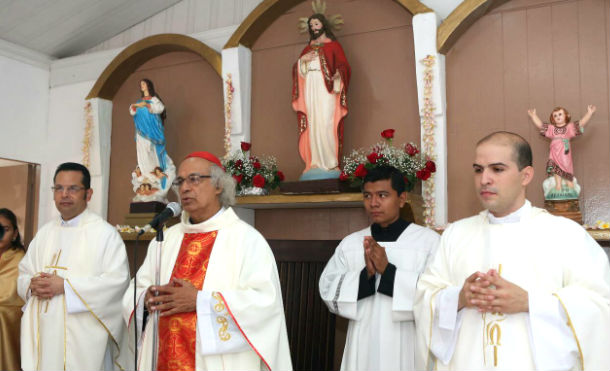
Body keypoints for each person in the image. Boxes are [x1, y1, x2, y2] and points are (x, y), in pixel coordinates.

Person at [414, 131, 610, 370]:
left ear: (526, 175)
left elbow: (598, 307)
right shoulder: (456, 235)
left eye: (497, 169)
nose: (484, 179)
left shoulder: (566, 235)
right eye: (478, 169)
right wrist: (459, 297)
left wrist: (530, 302)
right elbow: (425, 298)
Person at [123, 151, 292, 371]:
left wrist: (200, 301)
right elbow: (135, 292)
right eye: (180, 181)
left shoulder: (246, 239)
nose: (184, 188)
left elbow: (264, 304)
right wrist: (147, 298)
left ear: (219, 186)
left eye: (193, 179)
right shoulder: (166, 239)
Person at [319, 166, 440, 370]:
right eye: (367, 196)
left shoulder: (428, 242)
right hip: (362, 340)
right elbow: (328, 290)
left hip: (407, 341)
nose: (373, 203)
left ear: (402, 199)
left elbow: (438, 295)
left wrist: (389, 272)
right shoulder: (351, 244)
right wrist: (365, 276)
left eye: (382, 195)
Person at [18, 162, 130, 370]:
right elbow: (23, 272)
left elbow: (117, 283)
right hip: (43, 334)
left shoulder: (105, 234)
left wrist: (66, 287)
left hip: (83, 340)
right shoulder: (45, 233)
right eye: (59, 188)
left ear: (88, 194)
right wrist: (31, 284)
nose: (64, 195)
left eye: (72, 189)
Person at [292, 13, 351, 180]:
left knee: (326, 122)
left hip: (327, 88)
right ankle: (314, 163)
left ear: (323, 24)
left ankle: (330, 162)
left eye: (316, 24)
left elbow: (344, 66)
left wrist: (338, 76)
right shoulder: (307, 49)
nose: (313, 28)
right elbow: (297, 72)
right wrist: (302, 61)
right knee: (313, 123)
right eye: (311, 25)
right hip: (310, 86)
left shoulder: (333, 46)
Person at [527, 105, 596, 192]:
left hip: (564, 152)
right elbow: (541, 126)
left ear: (566, 116)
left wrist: (589, 113)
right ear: (553, 118)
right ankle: (558, 186)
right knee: (556, 169)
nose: (558, 117)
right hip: (554, 152)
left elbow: (581, 123)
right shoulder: (552, 129)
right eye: (555, 115)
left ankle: (570, 186)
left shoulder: (569, 127)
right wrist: (534, 116)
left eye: (560, 114)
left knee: (566, 166)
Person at [129, 78, 175, 196]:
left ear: (148, 86)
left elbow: (160, 108)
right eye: (141, 84)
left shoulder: (154, 100)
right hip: (141, 133)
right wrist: (135, 106)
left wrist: (147, 105)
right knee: (143, 153)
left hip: (152, 132)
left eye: (143, 84)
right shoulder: (139, 101)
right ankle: (146, 175)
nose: (142, 86)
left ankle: (155, 175)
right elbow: (132, 111)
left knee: (152, 152)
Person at [0, 208, 25, 371]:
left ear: (15, 234)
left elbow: (9, 297)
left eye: (5, 229)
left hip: (10, 319)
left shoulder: (20, 260)